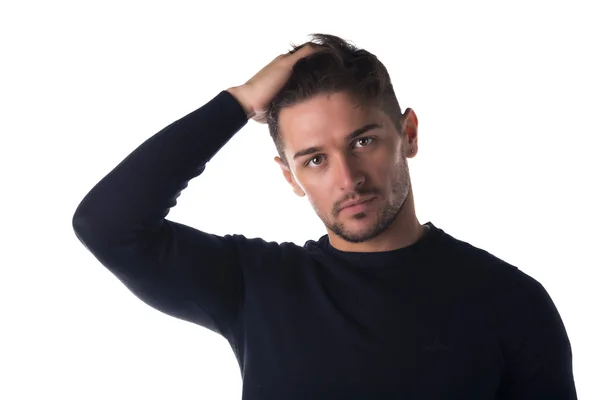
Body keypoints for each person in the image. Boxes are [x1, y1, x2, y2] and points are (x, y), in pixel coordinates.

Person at [72, 33, 577, 399]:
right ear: (290, 177)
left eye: (363, 141)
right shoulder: (256, 286)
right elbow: (108, 226)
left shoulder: (510, 302)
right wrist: (238, 103)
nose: (347, 178)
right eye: (314, 159)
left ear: (409, 134)